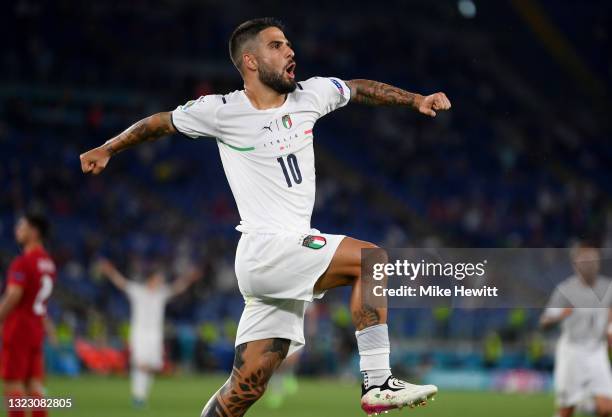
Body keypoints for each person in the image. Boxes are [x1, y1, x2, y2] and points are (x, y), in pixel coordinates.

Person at [80, 17, 451, 416]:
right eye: (277, 46)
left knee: (245, 387)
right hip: (267, 248)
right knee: (371, 260)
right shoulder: (222, 110)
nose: (290, 51)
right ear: (251, 61)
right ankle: (377, 381)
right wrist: (108, 148)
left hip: (281, 263)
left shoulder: (311, 94)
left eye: (289, 44)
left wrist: (415, 99)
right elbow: (160, 123)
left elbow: (359, 89)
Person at [97, 259, 202, 407]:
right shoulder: (137, 291)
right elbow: (121, 282)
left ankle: (142, 396)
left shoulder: (161, 294)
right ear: (151, 279)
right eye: (158, 279)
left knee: (153, 366)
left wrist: (189, 278)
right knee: (140, 364)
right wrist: (109, 271)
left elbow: (177, 288)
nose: (160, 282)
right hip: (139, 333)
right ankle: (137, 397)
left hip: (155, 335)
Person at [540, 244, 612, 417]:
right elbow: (544, 321)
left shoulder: (608, 287)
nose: (589, 264)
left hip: (596, 351)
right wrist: (560, 316)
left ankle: (587, 405)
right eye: (584, 261)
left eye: (593, 260)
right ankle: (583, 403)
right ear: (575, 265)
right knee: (566, 410)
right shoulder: (565, 290)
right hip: (572, 351)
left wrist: (610, 331)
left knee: (607, 409)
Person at [0, 214, 56, 417]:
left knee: (13, 385)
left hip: (18, 330)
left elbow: (14, 294)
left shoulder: (23, 262)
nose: (17, 230)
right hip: (35, 330)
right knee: (34, 387)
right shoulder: (49, 264)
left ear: (34, 232)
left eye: (21, 227)